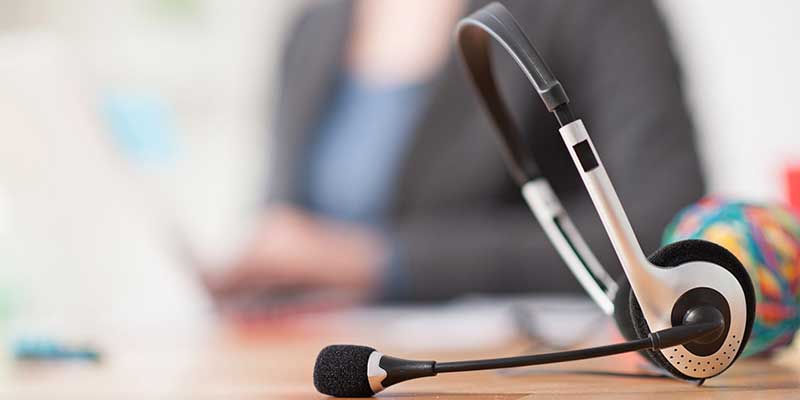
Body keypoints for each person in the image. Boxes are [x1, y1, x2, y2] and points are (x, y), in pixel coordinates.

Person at [205, 0, 705, 309]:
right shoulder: (311, 31)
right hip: (311, 366)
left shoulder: (592, 11)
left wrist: (375, 262)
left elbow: (661, 226)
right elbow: (285, 217)